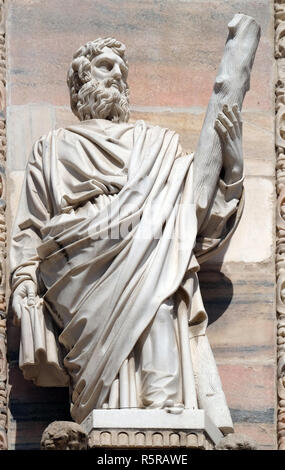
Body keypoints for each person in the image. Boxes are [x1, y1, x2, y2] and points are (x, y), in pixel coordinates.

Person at [10, 37, 244, 431]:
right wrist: (22, 281)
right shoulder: (49, 149)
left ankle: (166, 419)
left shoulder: (157, 145)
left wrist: (233, 168)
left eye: (121, 68)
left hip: (149, 261)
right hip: (78, 277)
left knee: (158, 294)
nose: (117, 73)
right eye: (105, 65)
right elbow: (30, 228)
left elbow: (196, 214)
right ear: (82, 77)